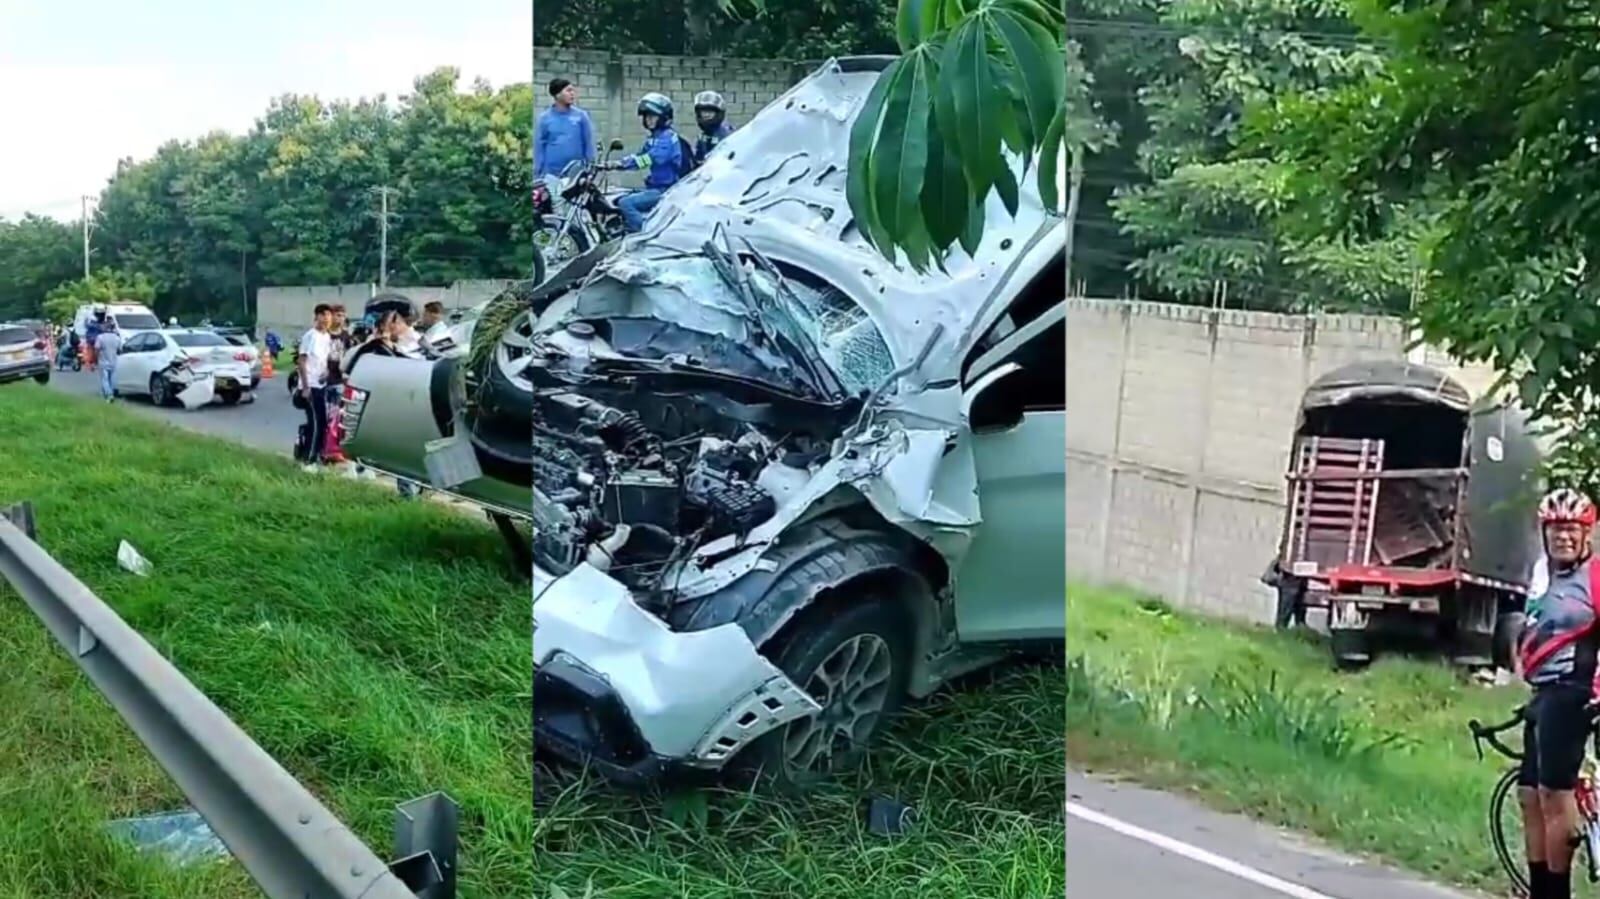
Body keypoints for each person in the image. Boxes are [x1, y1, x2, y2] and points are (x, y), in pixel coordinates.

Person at [1517, 487, 1600, 899]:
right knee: (1528, 795)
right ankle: (1540, 890)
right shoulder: (1541, 572)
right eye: (1554, 529)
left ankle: (1557, 893)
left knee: (1554, 795)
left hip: (1574, 692)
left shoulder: (1596, 577)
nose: (1562, 537)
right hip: (1542, 692)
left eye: (1571, 529)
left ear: (1587, 533)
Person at [606, 93, 686, 233]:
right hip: (655, 187)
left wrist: (622, 165)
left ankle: (644, 235)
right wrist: (616, 163)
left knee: (626, 203)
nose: (648, 120)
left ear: (663, 117)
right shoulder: (655, 137)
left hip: (666, 190)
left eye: (652, 116)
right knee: (618, 195)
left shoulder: (667, 138)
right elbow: (639, 155)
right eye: (646, 116)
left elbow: (650, 158)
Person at [296, 305, 334, 468]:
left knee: (322, 423)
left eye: (328, 315)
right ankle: (308, 460)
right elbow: (302, 362)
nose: (326, 318)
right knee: (316, 423)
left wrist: (326, 372)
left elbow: (323, 361)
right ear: (316, 317)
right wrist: (305, 387)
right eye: (323, 315)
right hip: (310, 386)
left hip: (321, 385)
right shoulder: (310, 336)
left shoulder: (327, 337)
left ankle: (314, 454)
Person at [535, 78, 596, 179]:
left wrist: (590, 169)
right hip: (552, 175)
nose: (572, 93)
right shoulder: (544, 119)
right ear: (557, 95)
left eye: (573, 90)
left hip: (576, 174)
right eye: (568, 90)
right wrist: (537, 174)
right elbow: (539, 148)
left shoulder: (581, 116)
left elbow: (589, 144)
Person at [691, 90, 733, 167]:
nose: (706, 115)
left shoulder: (726, 134)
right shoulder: (703, 134)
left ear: (718, 114)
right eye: (703, 111)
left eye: (710, 112)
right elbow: (698, 158)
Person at [92, 323, 122, 402]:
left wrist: (95, 359)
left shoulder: (100, 337)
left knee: (104, 379)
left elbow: (97, 349)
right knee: (112, 379)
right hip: (113, 362)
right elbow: (119, 351)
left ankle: (109, 394)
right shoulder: (117, 338)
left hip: (103, 361)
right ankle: (107, 393)